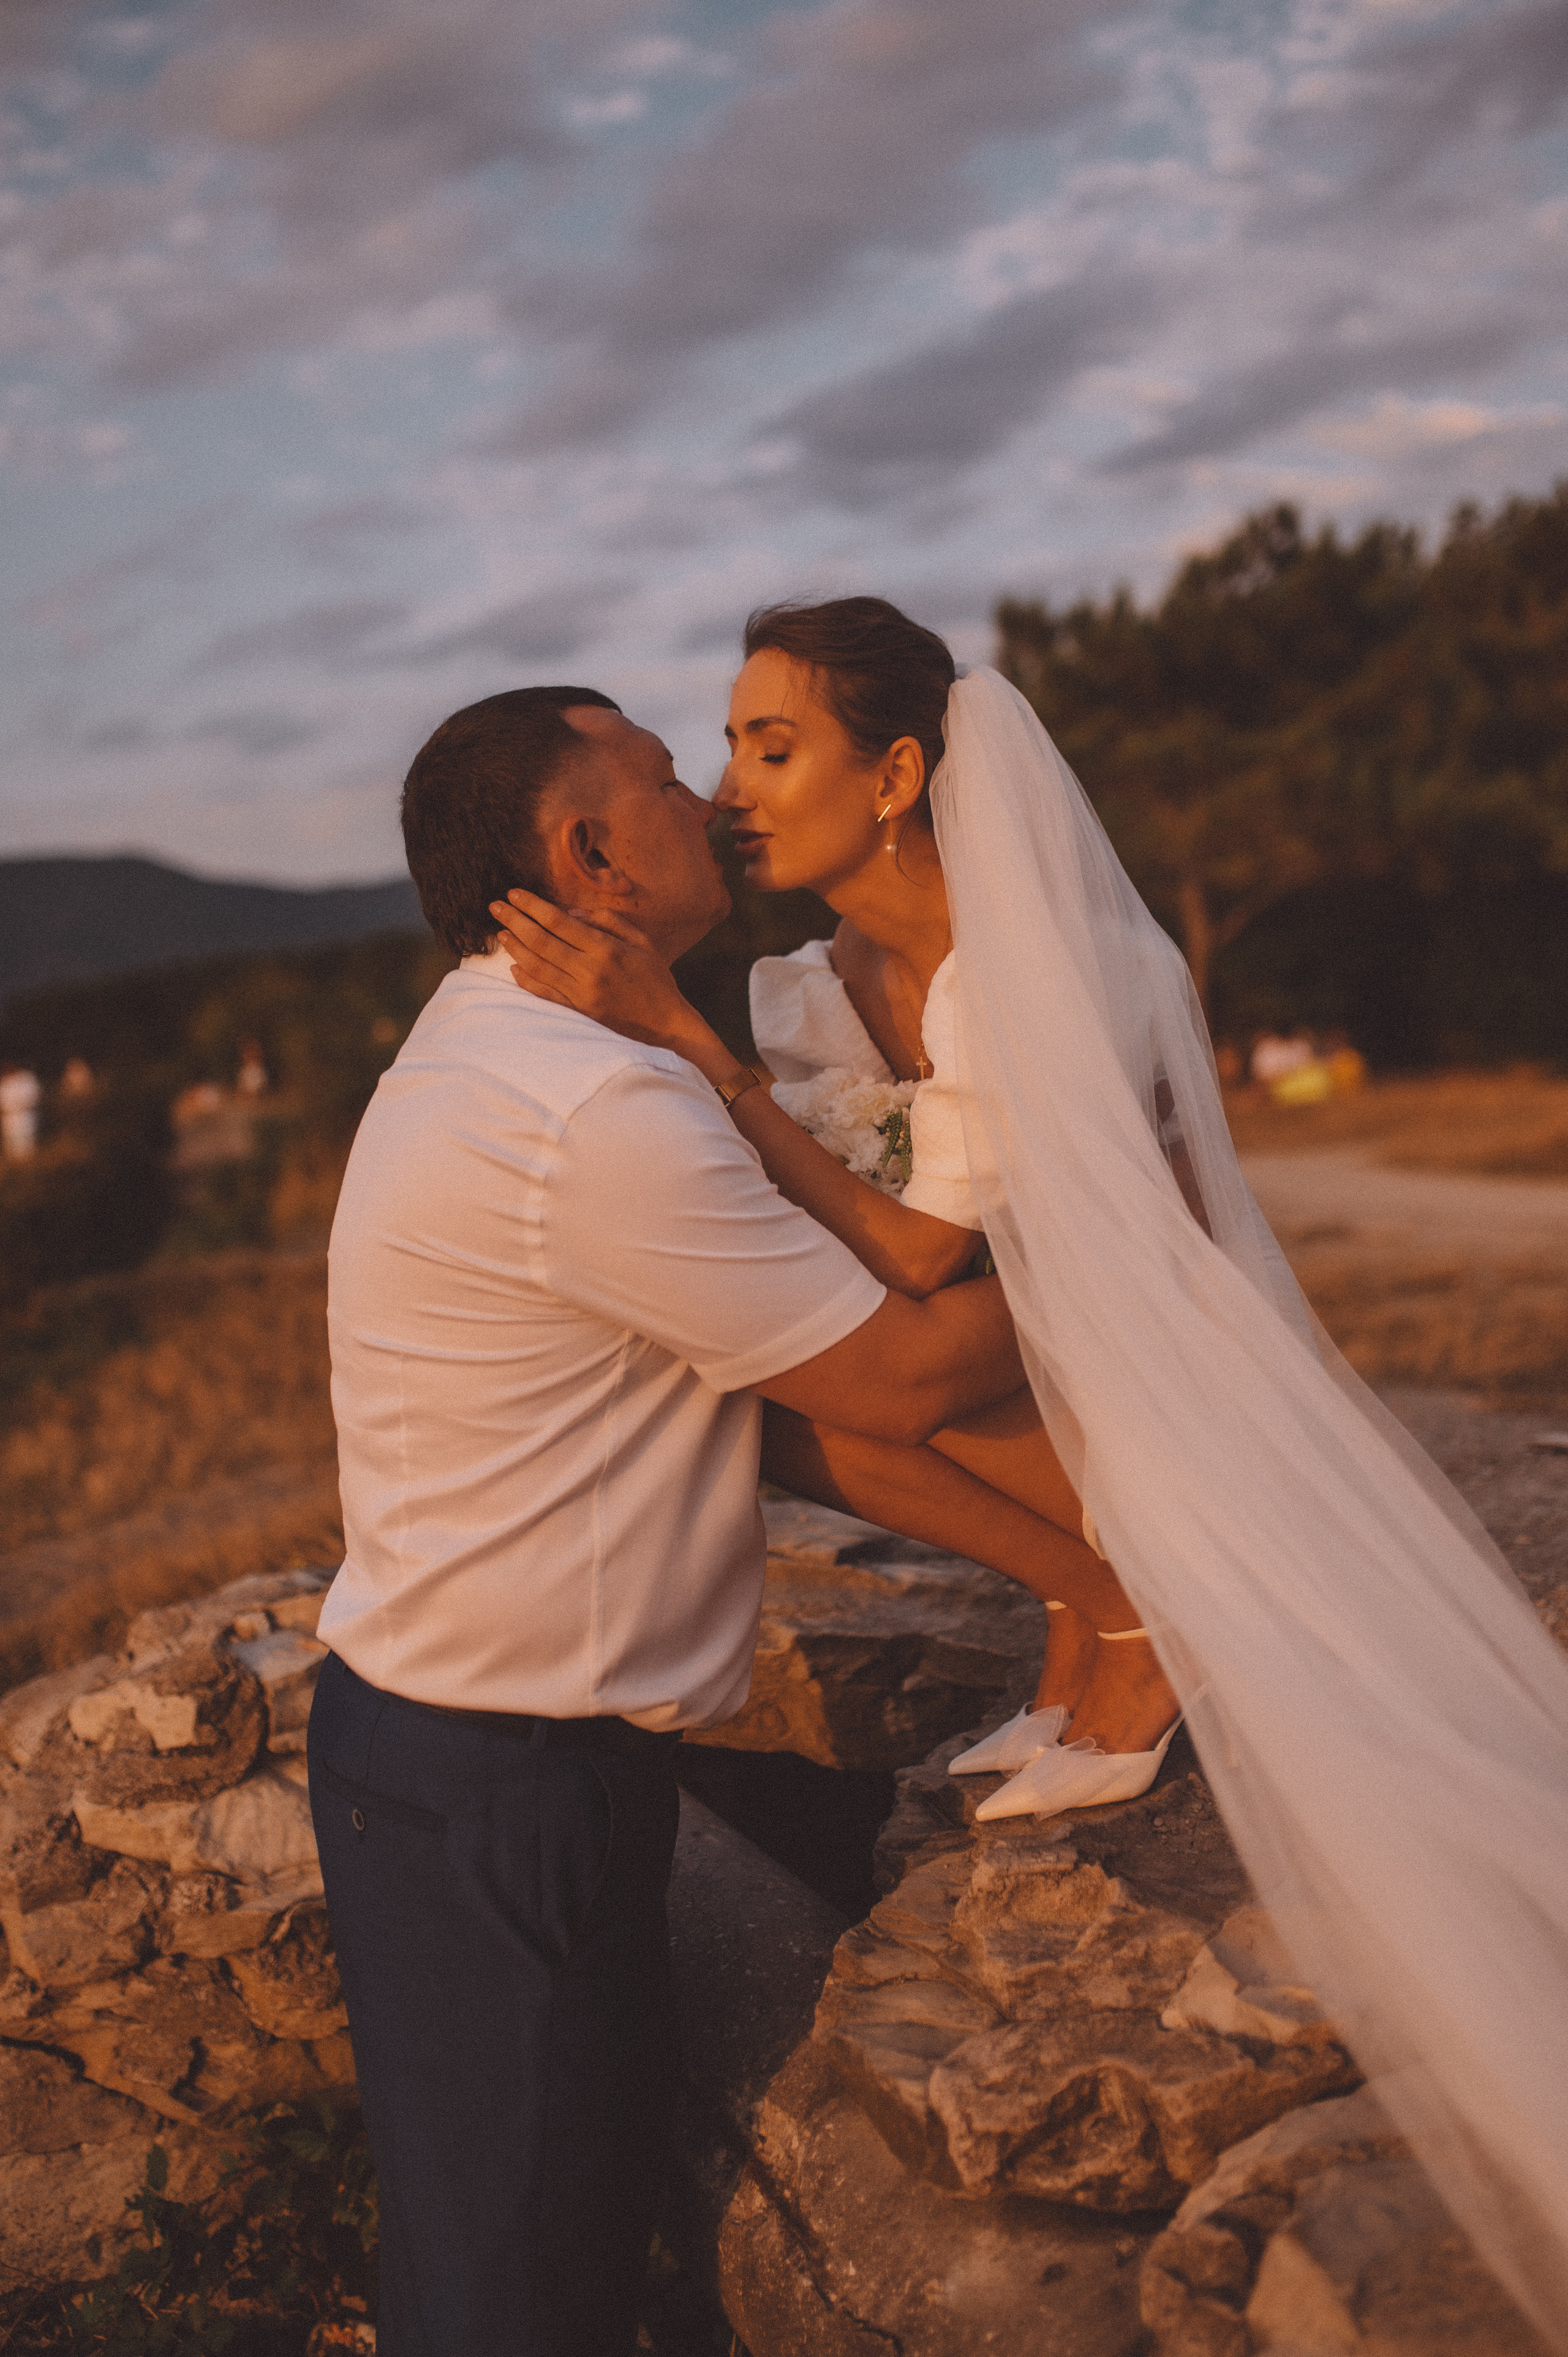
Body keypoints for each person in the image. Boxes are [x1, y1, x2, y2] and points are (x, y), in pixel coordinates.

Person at [493, 602, 1568, 2349]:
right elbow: (848, 1243)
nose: (735, 789)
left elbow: (922, 1251)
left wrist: (691, 1051)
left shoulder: (1037, 963)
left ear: (894, 776)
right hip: (1027, 1344)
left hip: (1157, 1362)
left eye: (774, 746)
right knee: (760, 1389)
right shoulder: (822, 982)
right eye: (730, 746)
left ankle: (1138, 1610)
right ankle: (1091, 1603)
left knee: (835, 1373)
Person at [308, 684, 1039, 2357]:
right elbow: (903, 1376)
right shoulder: (588, 1111)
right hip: (503, 1786)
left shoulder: (512, 1049)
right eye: (659, 778)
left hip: (448, 1752)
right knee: (517, 2299)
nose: (707, 795)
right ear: (591, 857)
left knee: (502, 2254)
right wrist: (1119, 1221)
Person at [0, 1063, 40, 1161]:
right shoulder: (4, 1081)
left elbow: (34, 1097)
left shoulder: (26, 1078)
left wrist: (21, 1105)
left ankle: (28, 1164)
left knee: (26, 1144)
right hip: (9, 1118)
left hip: (25, 1116)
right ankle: (14, 1165)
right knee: (11, 1144)